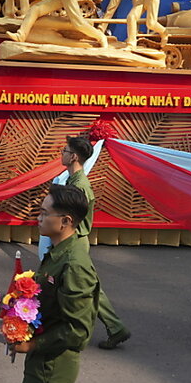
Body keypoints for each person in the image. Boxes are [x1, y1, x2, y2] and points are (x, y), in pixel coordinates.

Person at [11, 185, 100, 383]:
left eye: (44, 213)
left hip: (53, 366)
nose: (39, 219)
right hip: (43, 358)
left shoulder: (74, 265)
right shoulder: (57, 251)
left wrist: (32, 344)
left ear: (65, 221)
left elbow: (77, 330)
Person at [61, 136, 131, 349]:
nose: (61, 153)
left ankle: (113, 328)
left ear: (73, 156)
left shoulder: (79, 186)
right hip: (72, 242)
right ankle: (116, 328)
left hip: (74, 244)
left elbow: (71, 221)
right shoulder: (73, 181)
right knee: (85, 288)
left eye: (64, 150)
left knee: (84, 289)